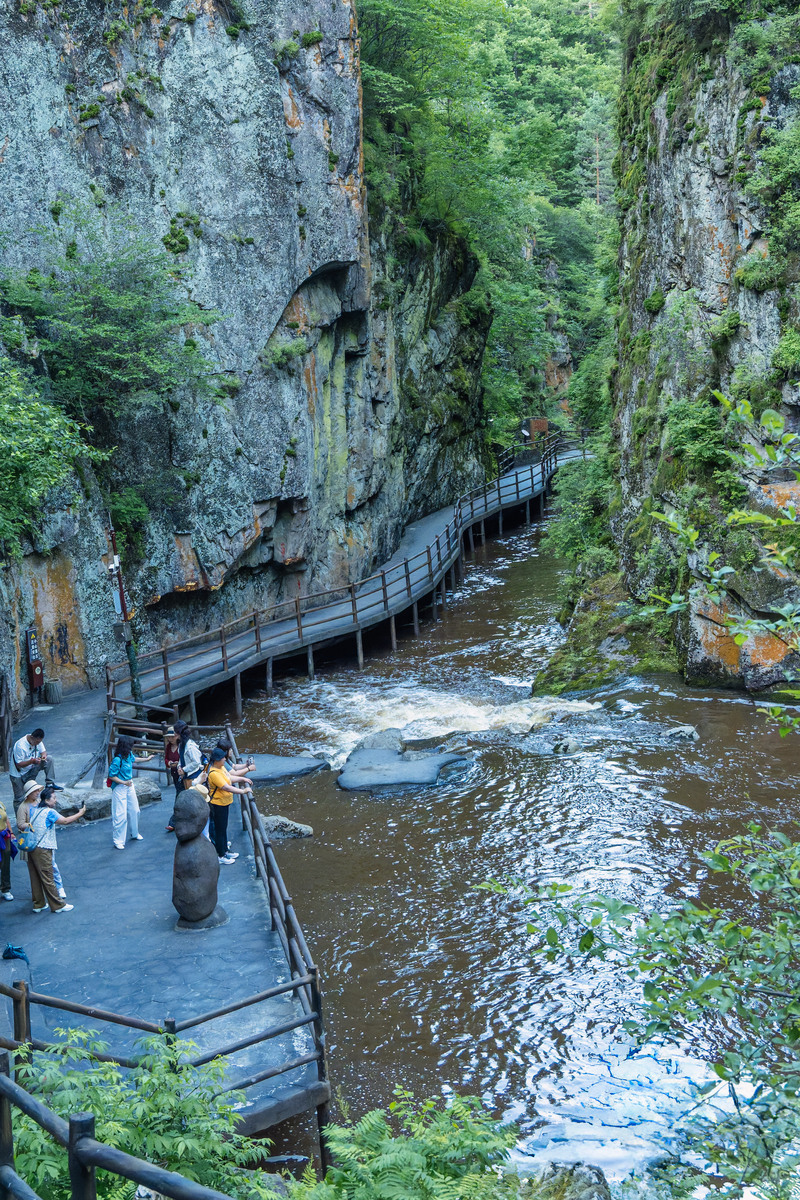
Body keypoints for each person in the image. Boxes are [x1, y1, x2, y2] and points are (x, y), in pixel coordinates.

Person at [27, 785, 85, 913]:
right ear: (47, 800)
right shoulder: (50, 812)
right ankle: (58, 905)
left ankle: (39, 904)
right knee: (48, 877)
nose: (55, 800)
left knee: (35, 877)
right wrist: (80, 813)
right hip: (43, 848)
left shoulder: (35, 810)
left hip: (32, 847)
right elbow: (64, 821)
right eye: (53, 798)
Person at [17, 780, 68, 899]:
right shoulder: (23, 807)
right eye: (35, 791)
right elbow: (20, 824)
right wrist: (32, 824)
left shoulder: (40, 802)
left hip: (45, 839)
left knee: (52, 865)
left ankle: (59, 888)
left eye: (37, 790)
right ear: (29, 794)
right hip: (31, 841)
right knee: (37, 870)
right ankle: (42, 896)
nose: (37, 792)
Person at [206, 745, 251, 865]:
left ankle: (225, 850)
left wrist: (243, 779)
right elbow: (226, 787)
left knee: (223, 828)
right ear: (217, 760)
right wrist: (243, 791)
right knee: (220, 830)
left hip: (224, 803)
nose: (225, 759)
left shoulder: (221, 768)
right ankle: (221, 855)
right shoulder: (214, 773)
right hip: (217, 804)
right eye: (222, 758)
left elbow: (230, 778)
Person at [107, 734, 153, 850]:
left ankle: (134, 833)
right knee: (120, 815)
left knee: (135, 810)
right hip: (119, 787)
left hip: (129, 785)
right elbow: (111, 776)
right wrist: (123, 782)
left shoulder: (128, 755)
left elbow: (134, 759)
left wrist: (146, 759)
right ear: (125, 746)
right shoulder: (117, 760)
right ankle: (118, 840)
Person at [9, 728, 57, 804]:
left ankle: (49, 783)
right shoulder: (20, 745)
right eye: (36, 742)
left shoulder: (37, 741)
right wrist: (32, 761)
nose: (37, 744)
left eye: (39, 742)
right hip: (18, 774)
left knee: (49, 759)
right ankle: (20, 815)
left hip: (31, 769)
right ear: (32, 737)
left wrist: (43, 757)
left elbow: (43, 752)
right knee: (20, 798)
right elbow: (19, 764)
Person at [163, 725, 181, 833]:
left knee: (179, 796)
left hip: (181, 773)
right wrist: (169, 763)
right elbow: (166, 758)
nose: (170, 739)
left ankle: (172, 822)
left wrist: (178, 764)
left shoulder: (182, 746)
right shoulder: (169, 747)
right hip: (174, 773)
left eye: (172, 737)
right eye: (169, 737)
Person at [0, 798, 15, 901]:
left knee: (5, 864)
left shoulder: (0, 803)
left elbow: (6, 819)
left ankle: (5, 889)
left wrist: (11, 832)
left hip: (4, 837)